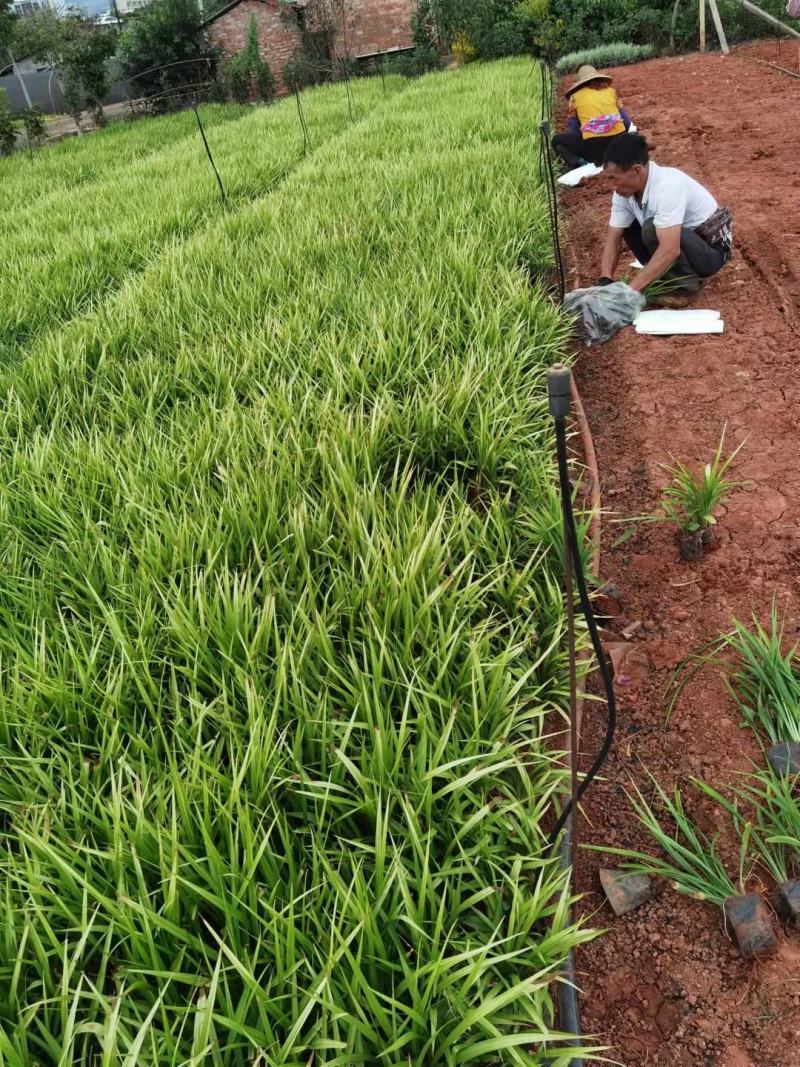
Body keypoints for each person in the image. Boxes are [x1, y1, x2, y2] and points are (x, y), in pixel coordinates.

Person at [598, 133, 733, 305]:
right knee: (628, 226)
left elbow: (670, 249)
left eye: (614, 179)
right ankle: (665, 278)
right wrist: (605, 280)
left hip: (710, 254)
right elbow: (614, 237)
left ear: (637, 170)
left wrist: (629, 291)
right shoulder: (624, 193)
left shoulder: (667, 186)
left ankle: (684, 289)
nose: (613, 187)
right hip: (682, 244)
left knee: (651, 228)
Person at [552, 64, 634, 169]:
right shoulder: (611, 92)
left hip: (594, 149)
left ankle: (580, 163)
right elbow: (626, 122)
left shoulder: (575, 98)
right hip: (618, 144)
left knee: (556, 140)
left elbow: (574, 130)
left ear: (580, 83)